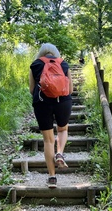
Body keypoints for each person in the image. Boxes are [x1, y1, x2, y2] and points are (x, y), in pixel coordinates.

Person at [29, 43, 73, 188]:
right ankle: (60, 153)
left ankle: (52, 177)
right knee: (63, 129)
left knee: (48, 141)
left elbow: (31, 89)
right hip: (63, 102)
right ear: (56, 52)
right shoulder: (63, 64)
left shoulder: (35, 64)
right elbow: (70, 89)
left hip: (42, 103)